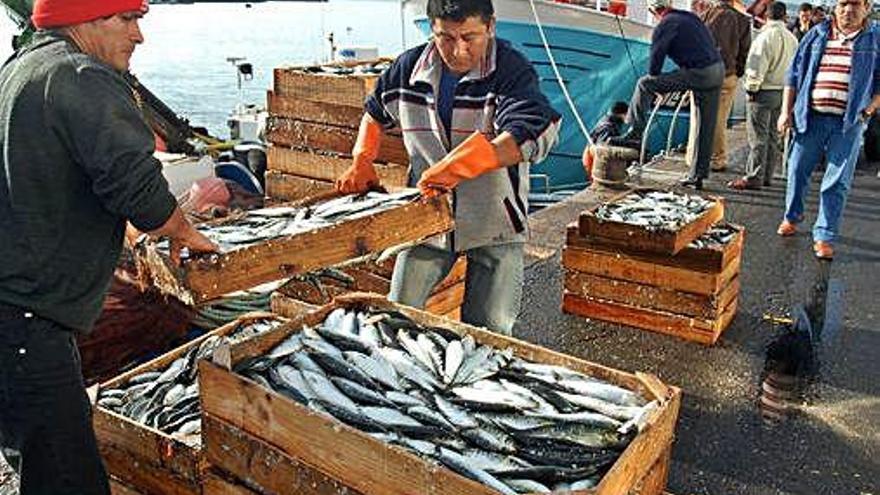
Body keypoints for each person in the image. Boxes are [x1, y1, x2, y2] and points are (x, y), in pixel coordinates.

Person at [0, 1, 218, 493]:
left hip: (15, 313)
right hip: (26, 321)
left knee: (37, 459)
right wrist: (183, 231)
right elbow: (133, 181)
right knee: (67, 478)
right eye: (126, 19)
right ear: (84, 19)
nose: (138, 35)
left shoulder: (22, 68)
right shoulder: (81, 75)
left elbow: (54, 178)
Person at [335, 0, 560, 335]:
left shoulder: (512, 69)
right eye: (446, 38)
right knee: (396, 316)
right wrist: (362, 159)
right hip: (426, 220)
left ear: (491, 27)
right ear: (432, 30)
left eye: (470, 37)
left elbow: (532, 129)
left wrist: (460, 166)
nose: (458, 50)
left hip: (495, 220)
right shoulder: (407, 68)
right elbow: (375, 111)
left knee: (490, 332)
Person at [777, 0, 880, 259]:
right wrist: (784, 112)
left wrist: (868, 110)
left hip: (847, 124)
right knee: (797, 169)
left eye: (855, 4)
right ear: (836, 7)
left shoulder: (875, 39)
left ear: (866, 8)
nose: (849, 10)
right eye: (844, 3)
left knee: (837, 182)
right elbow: (793, 74)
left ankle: (824, 235)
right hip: (809, 118)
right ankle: (792, 216)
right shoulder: (817, 33)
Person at [611, 0, 724, 190]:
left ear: (654, 11)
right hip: (717, 70)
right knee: (705, 126)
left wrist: (658, 84)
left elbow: (656, 61)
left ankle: (635, 133)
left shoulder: (665, 24)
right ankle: (698, 175)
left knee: (644, 84)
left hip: (699, 73)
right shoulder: (688, 18)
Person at [729, 2, 798, 190]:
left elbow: (756, 66)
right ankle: (767, 175)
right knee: (773, 137)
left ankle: (753, 177)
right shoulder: (792, 39)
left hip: (763, 91)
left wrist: (751, 89)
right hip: (782, 92)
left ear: (767, 16)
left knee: (758, 137)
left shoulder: (764, 37)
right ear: (785, 17)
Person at [698, 0, 752, 172]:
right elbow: (745, 51)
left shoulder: (705, 15)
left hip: (703, 72)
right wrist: (737, 72)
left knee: (697, 117)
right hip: (727, 74)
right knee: (719, 119)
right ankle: (717, 159)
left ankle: (693, 156)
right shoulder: (743, 20)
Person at [581, 101, 629, 179]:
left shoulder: (608, 120)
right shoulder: (608, 128)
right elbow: (602, 149)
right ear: (622, 114)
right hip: (593, 160)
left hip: (590, 155)